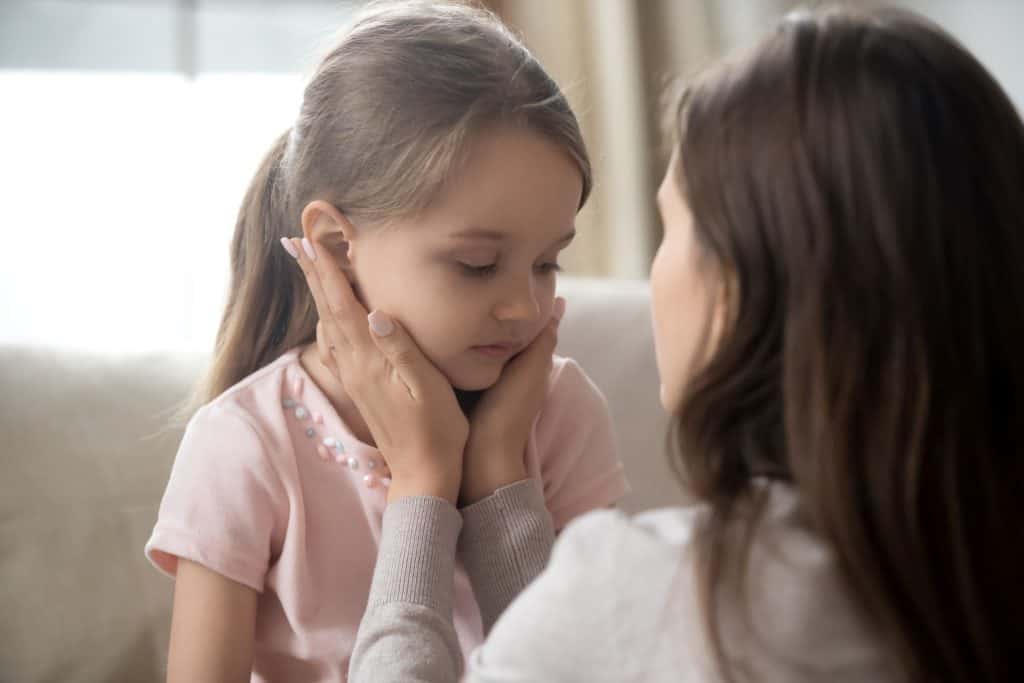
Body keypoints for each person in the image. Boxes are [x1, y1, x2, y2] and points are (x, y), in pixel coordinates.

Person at [293, 4, 1024, 682]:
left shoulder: (654, 594)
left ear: (738, 287)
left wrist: (425, 483)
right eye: (481, 265)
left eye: (673, 227)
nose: (525, 302)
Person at [143, 2, 629, 680]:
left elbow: (581, 670)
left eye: (547, 262)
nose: (525, 304)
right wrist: (428, 479)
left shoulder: (560, 414)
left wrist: (498, 473)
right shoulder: (244, 445)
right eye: (477, 265)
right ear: (339, 246)